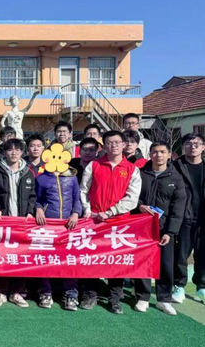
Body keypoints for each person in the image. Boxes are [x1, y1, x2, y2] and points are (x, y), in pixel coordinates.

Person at [80, 130, 142, 314]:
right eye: (109, 142)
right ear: (104, 146)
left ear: (123, 145)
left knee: (117, 261)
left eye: (117, 142)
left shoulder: (132, 169)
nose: (113, 145)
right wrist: (88, 210)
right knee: (91, 259)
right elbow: (83, 190)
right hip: (95, 222)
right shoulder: (94, 165)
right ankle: (90, 295)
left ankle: (115, 298)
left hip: (119, 223)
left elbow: (132, 198)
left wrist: (110, 212)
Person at [133, 141, 186, 316]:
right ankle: (143, 296)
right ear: (150, 154)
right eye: (155, 152)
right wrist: (140, 206)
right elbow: (132, 195)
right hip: (143, 227)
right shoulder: (140, 174)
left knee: (165, 264)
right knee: (143, 262)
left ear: (169, 155)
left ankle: (164, 299)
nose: (158, 155)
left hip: (164, 229)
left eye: (162, 152)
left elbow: (178, 207)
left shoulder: (176, 178)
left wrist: (171, 231)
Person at [34, 143, 82, 310]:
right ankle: (45, 292)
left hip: (68, 226)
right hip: (47, 226)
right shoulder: (41, 178)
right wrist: (39, 209)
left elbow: (77, 199)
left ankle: (71, 293)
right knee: (46, 260)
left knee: (69, 260)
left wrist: (76, 213)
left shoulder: (72, 177)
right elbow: (37, 199)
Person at [0, 138, 36, 308]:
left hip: (22, 222)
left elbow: (33, 195)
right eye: (10, 149)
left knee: (20, 257)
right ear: (4, 152)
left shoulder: (28, 172)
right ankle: (0, 291)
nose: (14, 152)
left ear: (22, 152)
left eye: (17, 149)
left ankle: (17, 292)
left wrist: (30, 212)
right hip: (3, 221)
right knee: (2, 256)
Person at [172, 133, 205, 303]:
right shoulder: (175, 166)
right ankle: (179, 286)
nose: (192, 147)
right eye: (188, 143)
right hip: (184, 217)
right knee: (181, 254)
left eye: (196, 144)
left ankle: (202, 287)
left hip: (203, 218)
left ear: (203, 147)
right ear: (183, 146)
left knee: (203, 254)